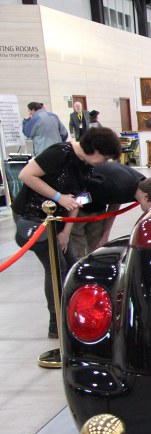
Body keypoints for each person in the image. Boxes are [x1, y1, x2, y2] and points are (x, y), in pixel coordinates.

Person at [13, 127, 121, 339]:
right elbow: (26, 174)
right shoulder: (60, 153)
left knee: (72, 265)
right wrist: (57, 197)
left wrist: (66, 233)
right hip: (32, 217)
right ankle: (56, 322)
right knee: (56, 268)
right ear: (95, 150)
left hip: (58, 219)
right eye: (105, 157)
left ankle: (74, 314)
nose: (105, 163)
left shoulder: (86, 165)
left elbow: (76, 200)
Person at [68, 164, 151, 259]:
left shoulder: (142, 186)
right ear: (146, 197)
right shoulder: (114, 186)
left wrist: (105, 234)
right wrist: (66, 230)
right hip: (79, 207)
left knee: (97, 247)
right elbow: (79, 196)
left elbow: (115, 202)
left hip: (99, 205)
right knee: (77, 249)